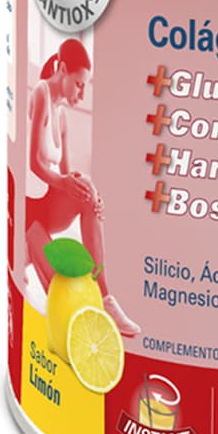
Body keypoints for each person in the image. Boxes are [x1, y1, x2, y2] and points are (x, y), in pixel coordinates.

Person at [25, 38, 139, 337]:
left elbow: (66, 174)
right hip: (27, 208)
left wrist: (91, 195)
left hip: (46, 206)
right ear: (62, 69)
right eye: (78, 84)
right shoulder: (41, 93)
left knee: (87, 190)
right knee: (62, 298)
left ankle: (105, 298)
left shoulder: (61, 115)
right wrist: (66, 182)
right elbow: (34, 163)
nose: (81, 93)